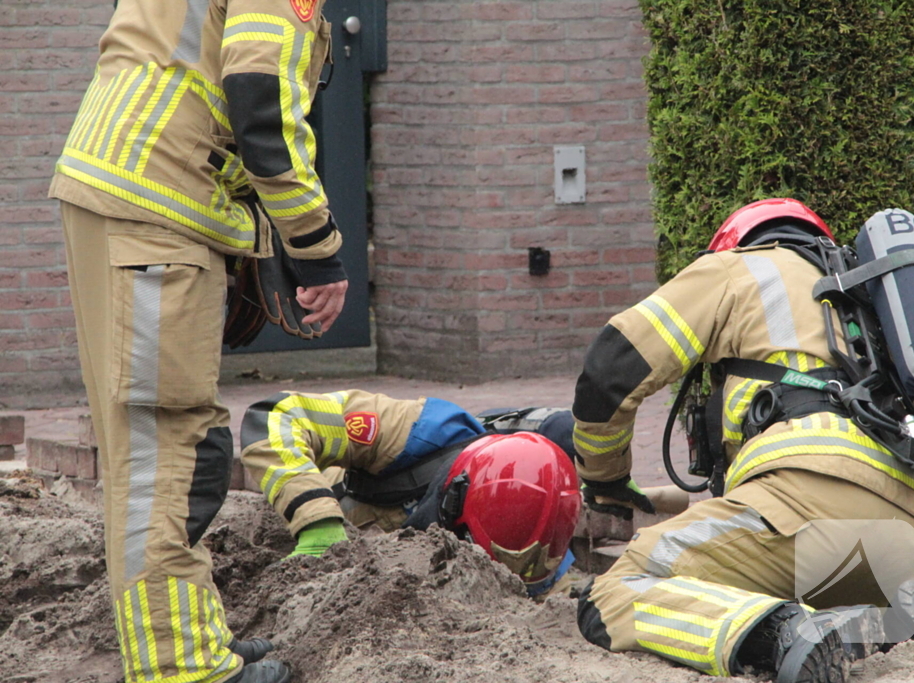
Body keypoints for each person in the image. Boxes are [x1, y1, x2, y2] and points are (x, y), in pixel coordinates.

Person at [48, 1, 348, 681]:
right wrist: (316, 245)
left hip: (116, 189)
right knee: (168, 456)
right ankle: (182, 667)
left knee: (170, 448)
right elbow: (260, 100)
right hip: (157, 210)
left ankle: (187, 635)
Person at [571, 199, 914, 683]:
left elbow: (609, 371)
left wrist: (605, 478)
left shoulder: (735, 268)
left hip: (804, 502)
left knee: (615, 592)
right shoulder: (864, 298)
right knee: (799, 562)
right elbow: (769, 493)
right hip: (907, 528)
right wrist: (647, 501)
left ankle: (781, 630)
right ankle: (892, 608)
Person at [239, 391, 583, 596]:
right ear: (455, 498)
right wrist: (317, 521)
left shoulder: (540, 552)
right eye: (469, 545)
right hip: (325, 528)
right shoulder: (415, 432)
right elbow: (274, 416)